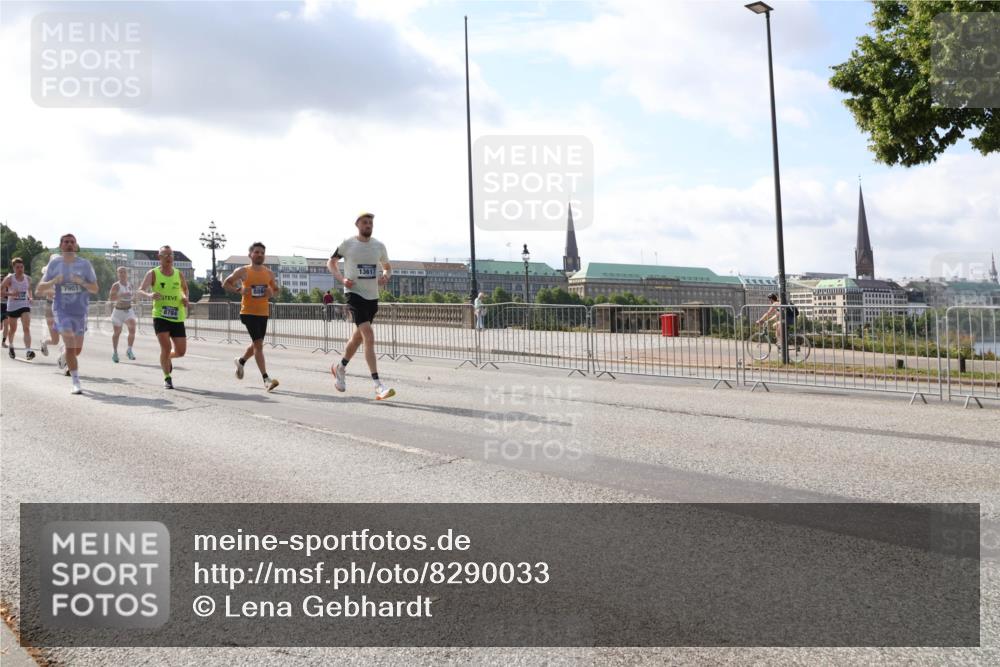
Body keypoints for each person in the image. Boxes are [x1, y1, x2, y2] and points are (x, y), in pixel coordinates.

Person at [327, 211, 395, 400]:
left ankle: (340, 368)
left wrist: (385, 276)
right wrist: (342, 278)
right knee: (368, 335)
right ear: (357, 224)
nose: (368, 225)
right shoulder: (347, 244)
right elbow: (331, 262)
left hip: (372, 297)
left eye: (371, 223)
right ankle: (377, 385)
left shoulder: (379, 246)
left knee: (357, 339)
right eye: (365, 222)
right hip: (354, 295)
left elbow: (388, 267)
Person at [36, 234, 98, 394]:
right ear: (61, 246)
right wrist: (54, 281)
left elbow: (95, 289)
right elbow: (39, 289)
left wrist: (81, 282)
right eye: (66, 242)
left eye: (72, 242)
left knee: (76, 350)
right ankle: (76, 382)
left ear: (76, 246)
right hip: (61, 310)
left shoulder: (85, 265)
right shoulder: (54, 264)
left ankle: (63, 357)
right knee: (70, 343)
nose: (69, 244)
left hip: (80, 311)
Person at [222, 241, 279, 392]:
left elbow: (276, 290)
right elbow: (226, 283)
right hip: (248, 312)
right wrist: (239, 289)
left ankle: (241, 362)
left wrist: (271, 293)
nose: (259, 255)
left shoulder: (269, 273)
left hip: (263, 313)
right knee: (259, 345)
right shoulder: (243, 271)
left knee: (256, 343)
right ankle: (266, 379)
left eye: (262, 253)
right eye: (256, 252)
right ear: (250, 255)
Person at [138, 246, 189, 389]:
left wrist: (185, 298)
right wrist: (149, 295)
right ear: (159, 257)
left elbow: (184, 289)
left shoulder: (178, 274)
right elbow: (140, 290)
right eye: (165, 255)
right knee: (165, 348)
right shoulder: (153, 273)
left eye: (171, 254)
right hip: (160, 315)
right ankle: (167, 378)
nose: (168, 257)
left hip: (177, 316)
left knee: (181, 352)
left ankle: (166, 360)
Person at [2, 259, 36, 359]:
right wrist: (11, 294)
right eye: (17, 267)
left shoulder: (28, 278)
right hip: (12, 307)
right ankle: (11, 346)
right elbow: (1, 291)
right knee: (13, 329)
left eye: (21, 267)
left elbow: (29, 289)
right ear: (13, 268)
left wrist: (30, 297)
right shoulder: (10, 278)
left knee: (26, 327)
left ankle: (28, 351)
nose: (20, 269)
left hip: (24, 305)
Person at [108, 266, 138, 363]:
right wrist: (121, 295)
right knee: (117, 333)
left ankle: (129, 350)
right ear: (118, 274)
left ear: (127, 274)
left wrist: (134, 299)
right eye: (120, 272)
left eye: (124, 272)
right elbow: (111, 299)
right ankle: (115, 353)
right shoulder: (116, 286)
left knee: (132, 329)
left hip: (128, 311)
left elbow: (134, 297)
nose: (122, 274)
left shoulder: (130, 285)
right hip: (118, 312)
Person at [1, 272, 9, 349]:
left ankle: (3, 342)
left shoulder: (8, 287)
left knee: (6, 325)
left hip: (6, 307)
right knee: (0, 327)